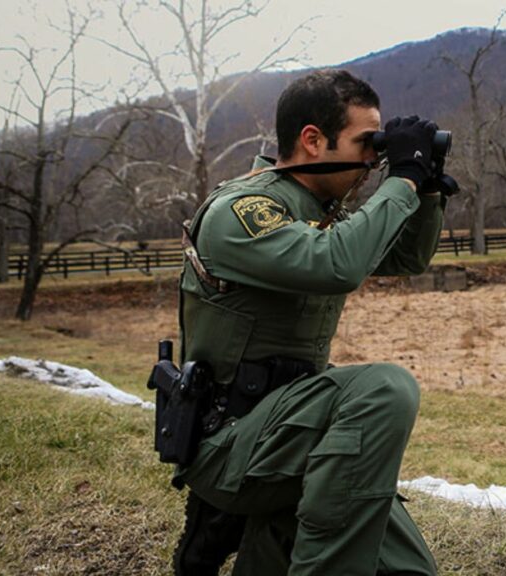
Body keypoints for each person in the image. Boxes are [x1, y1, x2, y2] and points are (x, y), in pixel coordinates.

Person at [171, 69, 449, 575]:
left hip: (297, 436)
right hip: (231, 444)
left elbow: (403, 259)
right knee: (384, 388)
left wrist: (425, 189)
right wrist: (401, 178)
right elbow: (336, 264)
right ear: (313, 140)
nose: (373, 159)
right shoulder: (243, 210)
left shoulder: (322, 211)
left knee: (407, 570)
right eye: (367, 143)